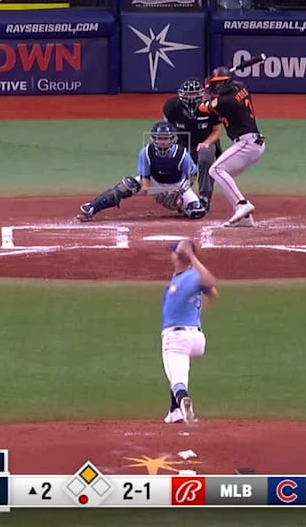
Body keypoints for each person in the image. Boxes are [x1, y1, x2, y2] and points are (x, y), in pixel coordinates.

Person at [77, 122, 209, 222]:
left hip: (177, 185)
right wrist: (152, 192)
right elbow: (145, 176)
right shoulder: (146, 152)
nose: (162, 142)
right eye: (159, 138)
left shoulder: (182, 154)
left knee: (197, 212)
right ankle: (92, 208)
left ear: (172, 139)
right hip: (153, 181)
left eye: (166, 138)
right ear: (154, 138)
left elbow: (192, 176)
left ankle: (181, 206)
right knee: (127, 185)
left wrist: (178, 193)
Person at [198, 67, 265, 228]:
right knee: (223, 176)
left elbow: (202, 107)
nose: (218, 87)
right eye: (216, 84)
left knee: (216, 170)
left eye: (220, 84)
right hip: (251, 143)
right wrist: (213, 84)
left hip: (247, 143)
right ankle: (244, 218)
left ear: (227, 82)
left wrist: (207, 88)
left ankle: (242, 205)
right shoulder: (241, 86)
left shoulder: (225, 102)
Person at [160, 239, 217, 425]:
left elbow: (210, 282)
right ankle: (174, 411)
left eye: (174, 251)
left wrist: (191, 256)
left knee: (177, 379)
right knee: (179, 370)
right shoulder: (183, 277)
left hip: (176, 337)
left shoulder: (191, 275)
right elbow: (213, 293)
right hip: (196, 338)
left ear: (178, 256)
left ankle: (183, 402)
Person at [163, 78, 222, 211]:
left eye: (194, 94)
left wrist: (206, 143)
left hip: (205, 141)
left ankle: (205, 197)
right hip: (182, 141)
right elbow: (167, 129)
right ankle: (179, 196)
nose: (191, 98)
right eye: (188, 95)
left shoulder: (211, 107)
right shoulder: (172, 107)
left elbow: (217, 131)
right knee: (172, 160)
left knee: (206, 158)